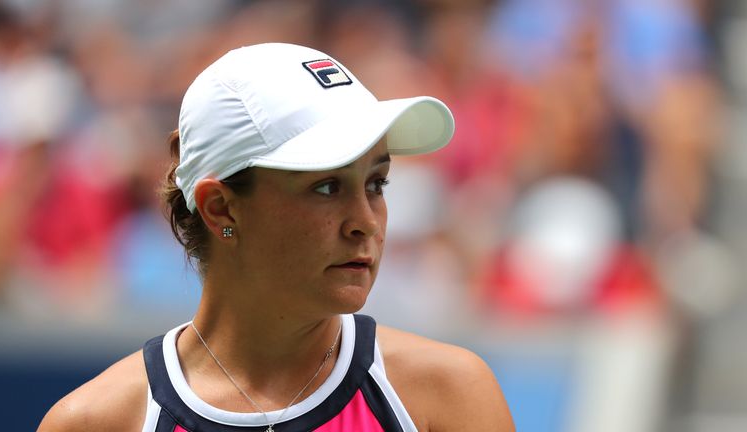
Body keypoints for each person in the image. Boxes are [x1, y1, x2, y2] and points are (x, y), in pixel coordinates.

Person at [38, 43, 514, 432]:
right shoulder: (95, 423)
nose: (365, 221)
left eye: (376, 184)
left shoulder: (451, 396)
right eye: (326, 187)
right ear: (220, 208)